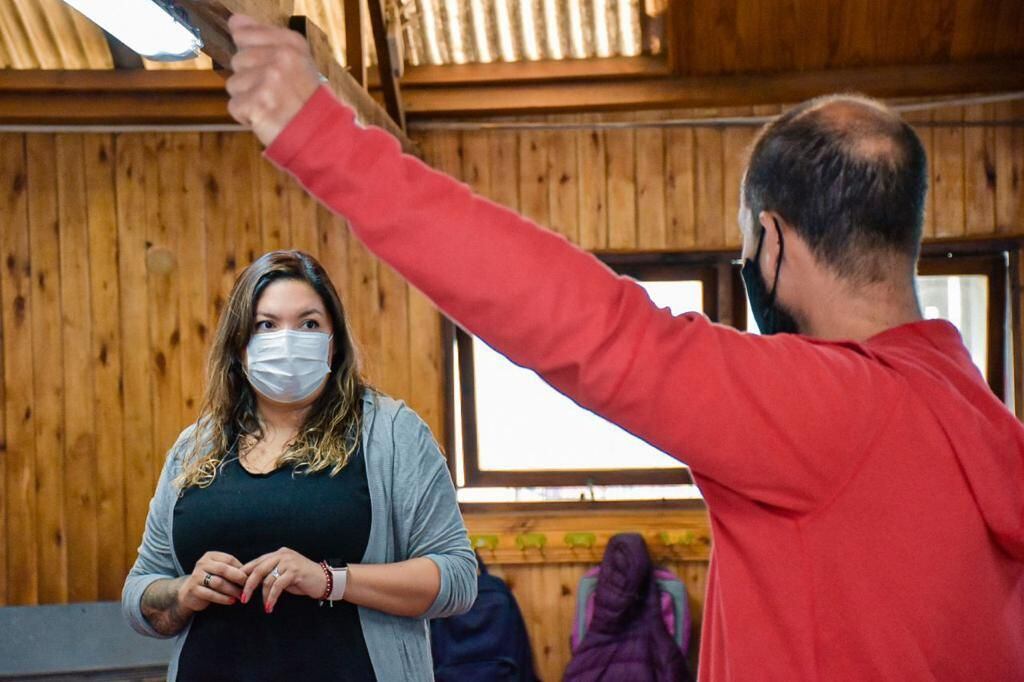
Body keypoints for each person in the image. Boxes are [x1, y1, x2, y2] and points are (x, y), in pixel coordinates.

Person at [222, 15, 1024, 681]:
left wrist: (320, 135)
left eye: (747, 246)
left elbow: (589, 324)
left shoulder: (834, 410)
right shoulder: (985, 422)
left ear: (771, 243)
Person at [121, 250, 476, 681]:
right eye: (266, 325)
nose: (287, 340)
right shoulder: (196, 446)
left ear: (334, 340)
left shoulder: (391, 434)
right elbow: (141, 592)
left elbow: (456, 578)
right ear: (239, 345)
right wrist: (184, 591)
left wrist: (330, 580)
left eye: (308, 324)